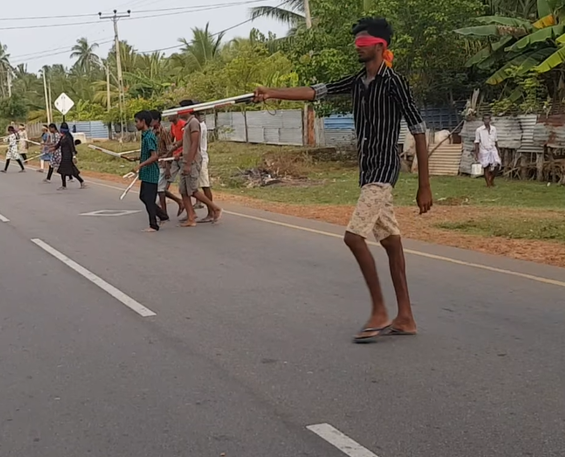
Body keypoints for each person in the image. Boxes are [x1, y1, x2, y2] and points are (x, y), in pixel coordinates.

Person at [254, 17, 432, 343]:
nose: (357, 47)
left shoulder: (395, 83)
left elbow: (419, 130)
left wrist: (424, 185)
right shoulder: (357, 81)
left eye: (363, 42)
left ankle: (380, 311)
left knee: (353, 237)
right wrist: (272, 93)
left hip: (383, 171)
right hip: (367, 172)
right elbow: (314, 92)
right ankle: (406, 317)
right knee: (391, 242)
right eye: (357, 42)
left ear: (380, 46)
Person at [176, 100, 221, 227]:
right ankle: (191, 216)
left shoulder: (195, 123)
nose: (179, 112)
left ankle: (214, 209)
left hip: (194, 160)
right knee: (184, 190)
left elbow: (195, 144)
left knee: (194, 189)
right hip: (187, 159)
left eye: (181, 109)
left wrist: (189, 163)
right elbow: (187, 143)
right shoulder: (189, 123)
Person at [129, 110, 165, 231]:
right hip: (146, 173)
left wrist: (140, 165)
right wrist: (137, 158)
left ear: (143, 121)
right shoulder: (145, 135)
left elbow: (154, 156)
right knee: (143, 196)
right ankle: (162, 215)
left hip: (151, 173)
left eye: (136, 122)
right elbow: (148, 154)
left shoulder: (149, 137)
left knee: (149, 199)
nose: (135, 124)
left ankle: (153, 224)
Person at [150, 110, 184, 218]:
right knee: (160, 189)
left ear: (156, 120)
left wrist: (168, 165)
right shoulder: (152, 132)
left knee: (160, 190)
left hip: (164, 163)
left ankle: (163, 214)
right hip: (156, 163)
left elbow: (169, 148)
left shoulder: (164, 131)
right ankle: (178, 201)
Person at [196, 110, 214, 222]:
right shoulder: (197, 125)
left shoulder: (200, 126)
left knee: (205, 185)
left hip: (201, 158)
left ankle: (211, 212)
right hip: (197, 158)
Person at [56, 122, 85, 189]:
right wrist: (53, 148)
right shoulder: (62, 137)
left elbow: (72, 147)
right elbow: (58, 144)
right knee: (64, 171)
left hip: (68, 156)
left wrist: (74, 156)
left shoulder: (68, 137)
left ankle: (81, 181)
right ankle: (64, 185)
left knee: (69, 171)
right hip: (64, 156)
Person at [474, 114, 500, 187]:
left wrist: (498, 150)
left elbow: (496, 140)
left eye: (488, 119)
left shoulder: (493, 129)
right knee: (486, 167)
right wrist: (476, 154)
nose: (486, 120)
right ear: (483, 120)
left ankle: (491, 179)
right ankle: (488, 184)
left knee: (497, 165)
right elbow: (476, 142)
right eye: (485, 119)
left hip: (493, 148)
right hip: (484, 150)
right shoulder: (479, 130)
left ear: (490, 120)